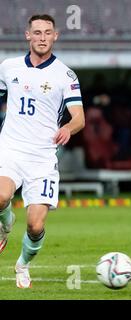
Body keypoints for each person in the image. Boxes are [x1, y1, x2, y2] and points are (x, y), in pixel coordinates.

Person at [0, 14, 85, 288]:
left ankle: (22, 265)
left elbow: (79, 117)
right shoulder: (8, 67)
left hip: (42, 158)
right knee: (0, 195)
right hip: (10, 148)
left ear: (55, 36)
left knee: (35, 226)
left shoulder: (65, 75)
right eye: (36, 32)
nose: (42, 37)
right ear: (28, 36)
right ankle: (5, 224)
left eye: (47, 33)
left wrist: (68, 129)